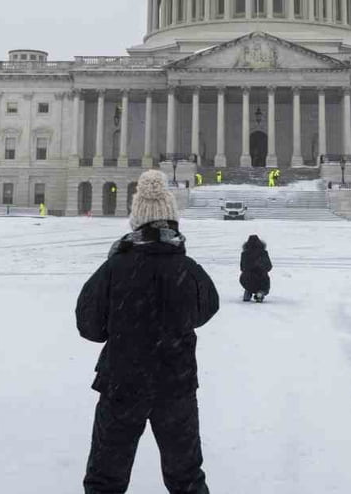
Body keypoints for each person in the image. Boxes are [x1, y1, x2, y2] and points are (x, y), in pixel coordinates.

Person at [76, 170, 219, 493]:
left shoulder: (116, 267)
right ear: (172, 222)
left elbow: (89, 326)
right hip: (176, 385)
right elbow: (207, 309)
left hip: (122, 384)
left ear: (136, 222)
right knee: (186, 477)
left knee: (105, 478)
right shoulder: (187, 268)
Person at [239, 234, 272, 302]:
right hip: (262, 278)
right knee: (264, 287)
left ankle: (248, 293)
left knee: (248, 284)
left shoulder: (245, 254)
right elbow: (269, 266)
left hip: (247, 278)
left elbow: (242, 267)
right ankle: (260, 294)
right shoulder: (263, 253)